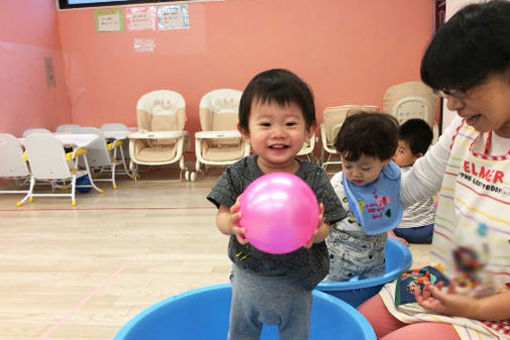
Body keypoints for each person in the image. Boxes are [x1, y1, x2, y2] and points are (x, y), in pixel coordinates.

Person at [358, 1, 510, 339]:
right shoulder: (464, 130)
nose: (452, 104)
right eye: (446, 92)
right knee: (350, 326)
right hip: (443, 281)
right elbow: (410, 188)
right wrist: (342, 195)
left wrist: (471, 309)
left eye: (461, 90)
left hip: (496, 312)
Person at [207, 68, 346, 340]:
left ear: (309, 130)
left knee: (296, 335)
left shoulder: (314, 176)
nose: (279, 133)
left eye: (290, 124)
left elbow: (326, 226)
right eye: (266, 124)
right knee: (240, 334)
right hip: (248, 276)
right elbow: (222, 218)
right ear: (245, 131)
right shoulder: (238, 173)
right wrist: (231, 224)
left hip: (297, 280)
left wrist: (315, 231)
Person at [325, 112, 402, 281]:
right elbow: (326, 215)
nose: (355, 173)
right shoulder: (339, 184)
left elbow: (384, 209)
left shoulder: (389, 180)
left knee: (375, 290)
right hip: (339, 255)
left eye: (365, 168)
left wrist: (390, 231)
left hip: (374, 256)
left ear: (387, 160)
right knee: (334, 290)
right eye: (347, 165)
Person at [388, 118, 436, 246]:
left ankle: (390, 236)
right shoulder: (429, 169)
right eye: (395, 148)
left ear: (418, 156)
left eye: (401, 151)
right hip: (429, 230)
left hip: (401, 229)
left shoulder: (391, 172)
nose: (394, 154)